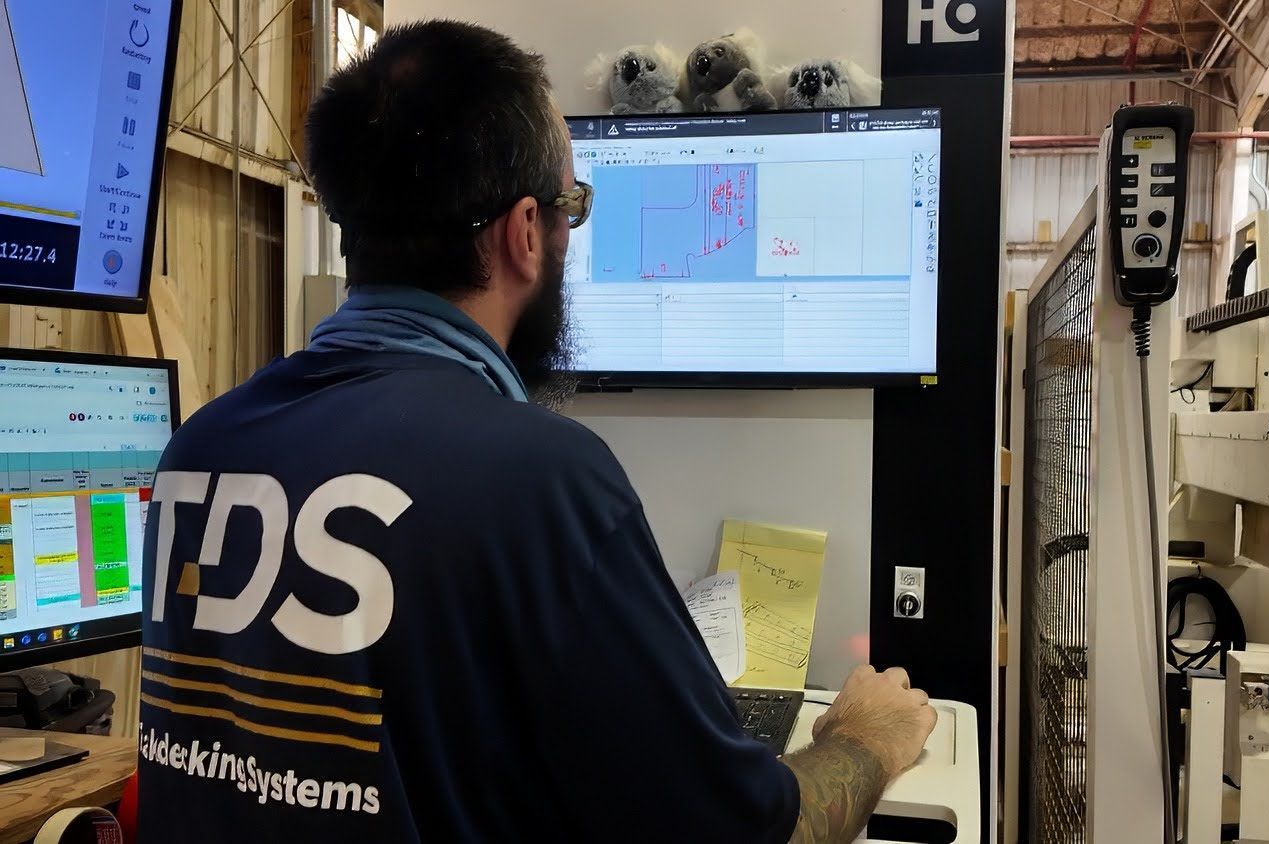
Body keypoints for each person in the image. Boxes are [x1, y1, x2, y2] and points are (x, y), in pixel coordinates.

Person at [137, 20, 935, 843]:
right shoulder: (540, 480)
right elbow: (742, 833)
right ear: (525, 233)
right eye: (571, 209)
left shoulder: (196, 451)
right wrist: (864, 737)